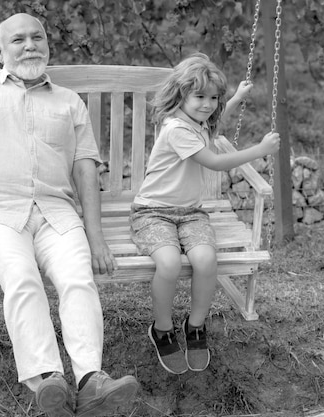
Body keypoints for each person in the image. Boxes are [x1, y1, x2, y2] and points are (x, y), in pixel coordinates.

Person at [0, 12, 139, 417]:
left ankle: (91, 380)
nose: (29, 45)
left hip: (57, 214)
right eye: (18, 39)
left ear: (47, 45)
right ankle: (46, 381)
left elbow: (85, 168)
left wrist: (96, 238)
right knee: (22, 278)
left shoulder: (68, 101)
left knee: (78, 278)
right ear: (0, 50)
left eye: (36, 37)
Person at [129, 53, 280, 374]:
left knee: (206, 260)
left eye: (213, 98)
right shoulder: (176, 130)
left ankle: (195, 326)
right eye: (199, 96)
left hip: (191, 213)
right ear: (180, 95)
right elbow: (214, 161)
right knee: (168, 263)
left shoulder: (197, 122)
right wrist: (260, 150)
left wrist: (236, 97)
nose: (208, 104)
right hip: (153, 213)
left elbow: (216, 120)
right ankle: (162, 328)